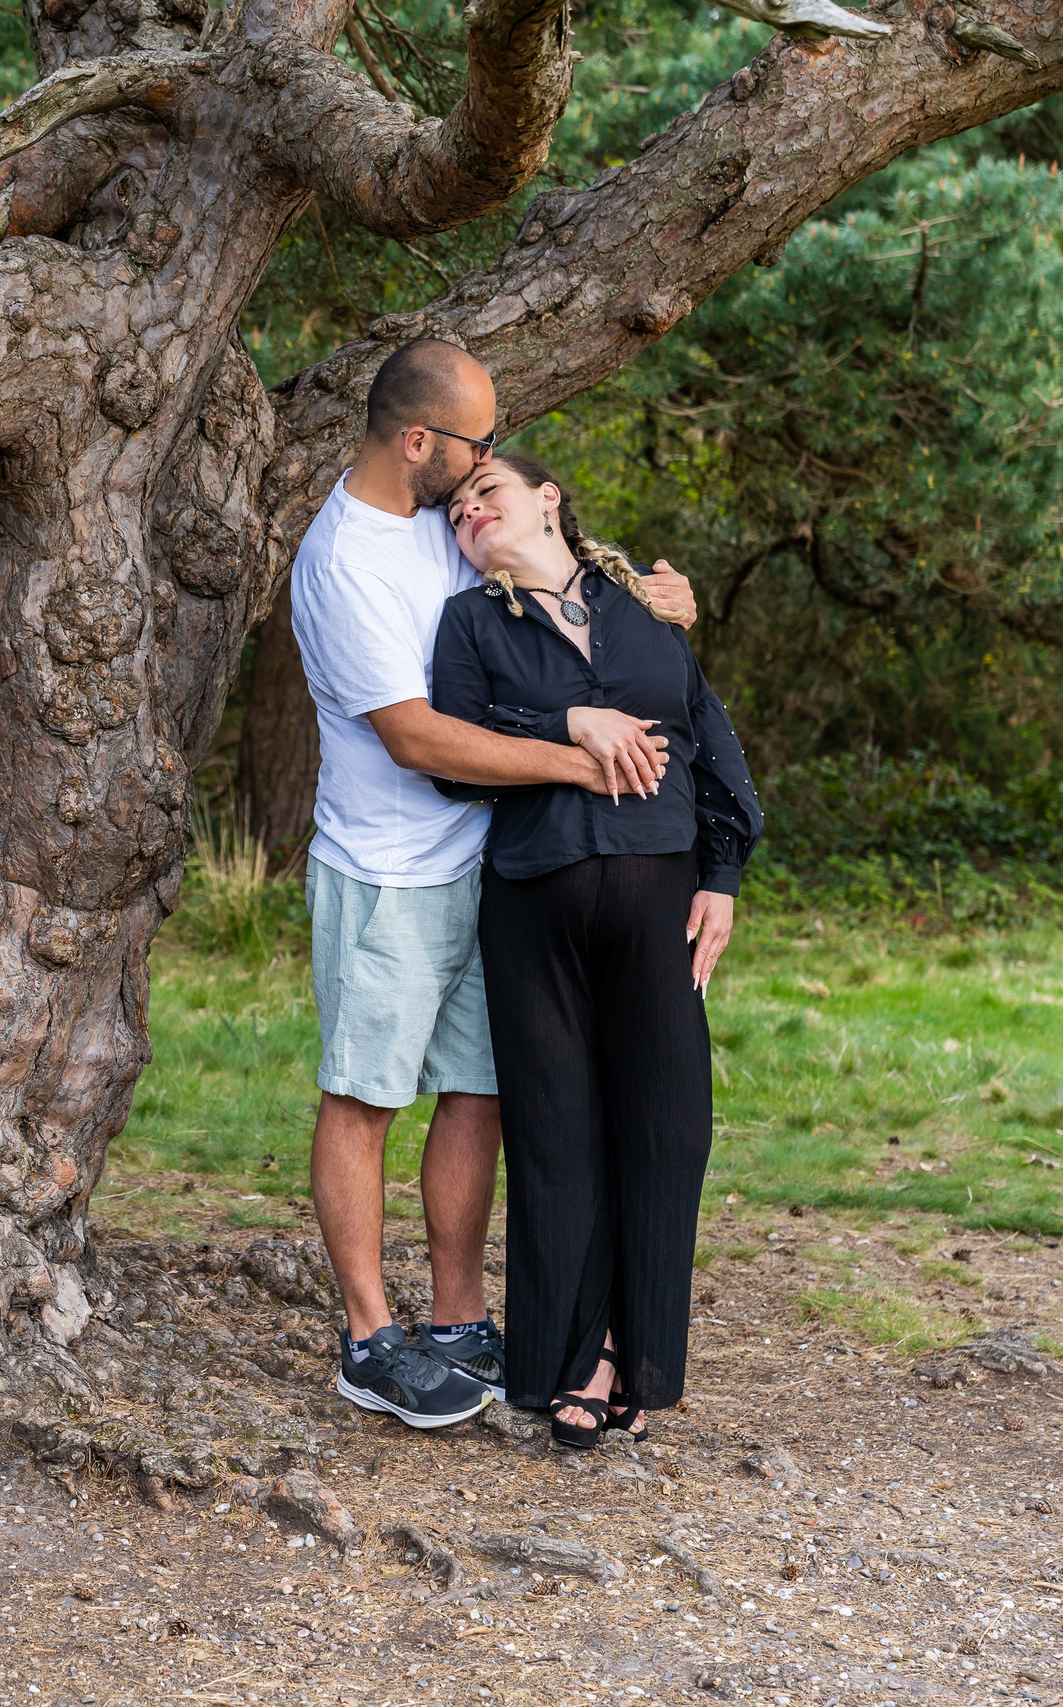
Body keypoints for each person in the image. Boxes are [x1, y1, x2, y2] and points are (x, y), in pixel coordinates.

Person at [289, 341, 697, 1431]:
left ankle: (461, 1319)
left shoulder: (438, 523)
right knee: (367, 1097)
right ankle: (370, 1338)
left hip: (489, 870)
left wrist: (650, 597)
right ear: (416, 441)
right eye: (469, 446)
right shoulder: (343, 565)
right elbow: (419, 738)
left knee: (479, 1091)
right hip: (385, 874)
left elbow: (548, 583)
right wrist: (577, 757)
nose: (478, 473)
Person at [429, 450, 763, 1450]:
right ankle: (568, 1360)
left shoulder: (647, 613)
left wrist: (723, 876)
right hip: (533, 905)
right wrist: (563, 719)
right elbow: (454, 749)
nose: (469, 511)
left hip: (660, 898)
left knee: (664, 1129)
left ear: (548, 500)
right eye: (453, 511)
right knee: (555, 1135)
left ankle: (631, 1344)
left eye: (485, 492)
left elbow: (708, 740)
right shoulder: (472, 624)